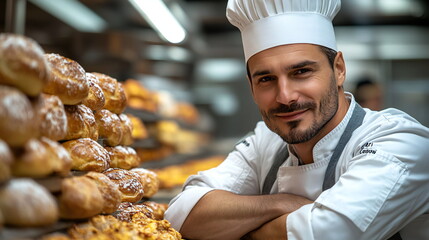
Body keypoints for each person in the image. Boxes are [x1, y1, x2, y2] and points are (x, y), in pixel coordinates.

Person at [165, 0, 429, 239]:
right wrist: (281, 203)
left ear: (338, 69)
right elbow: (181, 214)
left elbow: (327, 234)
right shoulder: (265, 142)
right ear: (251, 87)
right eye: (266, 79)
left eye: (301, 72)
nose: (285, 96)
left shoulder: (401, 143)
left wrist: (240, 231)